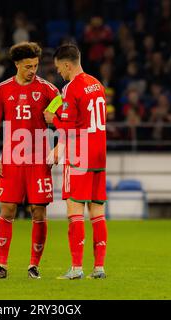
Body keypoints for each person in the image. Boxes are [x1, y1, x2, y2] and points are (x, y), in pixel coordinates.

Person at [0, 42, 59, 279]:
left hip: (39, 160)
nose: (33, 70)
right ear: (17, 64)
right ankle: (2, 265)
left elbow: (64, 114)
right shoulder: (1, 90)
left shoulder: (49, 90)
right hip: (12, 159)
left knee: (38, 212)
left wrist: (59, 141)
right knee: (7, 209)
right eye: (28, 66)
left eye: (36, 65)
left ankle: (33, 266)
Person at [44, 44, 108, 279]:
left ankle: (77, 268)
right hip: (100, 153)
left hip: (80, 154)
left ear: (67, 64)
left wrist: (54, 119)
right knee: (98, 212)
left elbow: (70, 128)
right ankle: (99, 268)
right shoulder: (96, 84)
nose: (59, 72)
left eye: (59, 68)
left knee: (75, 211)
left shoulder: (72, 88)